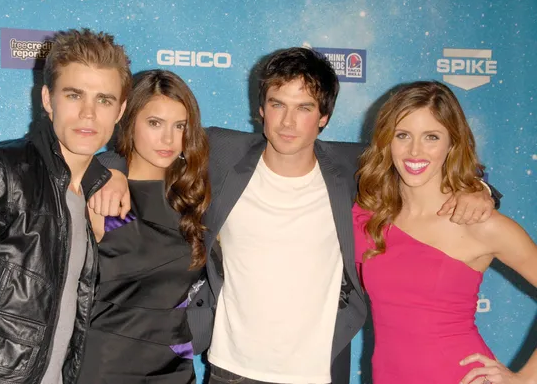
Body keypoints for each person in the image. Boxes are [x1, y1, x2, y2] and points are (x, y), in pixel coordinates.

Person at [96, 49, 497, 384]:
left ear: (324, 116)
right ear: (261, 109)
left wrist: (480, 190)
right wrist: (110, 167)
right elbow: (150, 143)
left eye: (304, 108)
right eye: (278, 105)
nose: (288, 122)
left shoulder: (353, 167)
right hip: (230, 370)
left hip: (319, 372)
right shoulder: (222, 152)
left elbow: (424, 166)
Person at [0, 28, 131, 383]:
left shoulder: (92, 193)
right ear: (47, 99)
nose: (89, 114)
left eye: (104, 100)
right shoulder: (1, 171)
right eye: (74, 95)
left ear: (120, 111)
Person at [354, 81, 537, 384]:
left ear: (452, 143)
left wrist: (526, 379)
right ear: (386, 140)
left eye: (431, 137)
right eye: (403, 135)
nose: (415, 150)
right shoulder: (366, 216)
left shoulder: (480, 222)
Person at [76, 69, 211, 383]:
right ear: (127, 119)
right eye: (154, 123)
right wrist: (108, 168)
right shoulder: (97, 192)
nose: (168, 139)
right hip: (105, 363)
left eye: (180, 126)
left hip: (174, 367)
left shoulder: (194, 195)